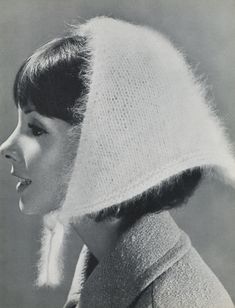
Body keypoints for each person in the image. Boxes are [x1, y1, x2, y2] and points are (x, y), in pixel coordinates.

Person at [0, 16, 235, 308]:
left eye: (36, 129)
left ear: (103, 151)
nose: (5, 147)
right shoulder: (105, 264)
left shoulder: (169, 301)